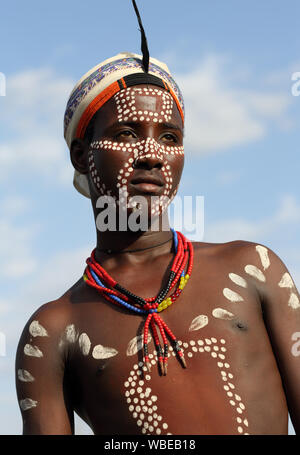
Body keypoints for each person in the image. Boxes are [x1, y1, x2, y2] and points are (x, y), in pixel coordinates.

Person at [15, 50, 300, 436]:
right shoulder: (53, 330)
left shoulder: (253, 267)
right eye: (127, 133)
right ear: (82, 157)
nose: (151, 155)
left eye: (169, 137)